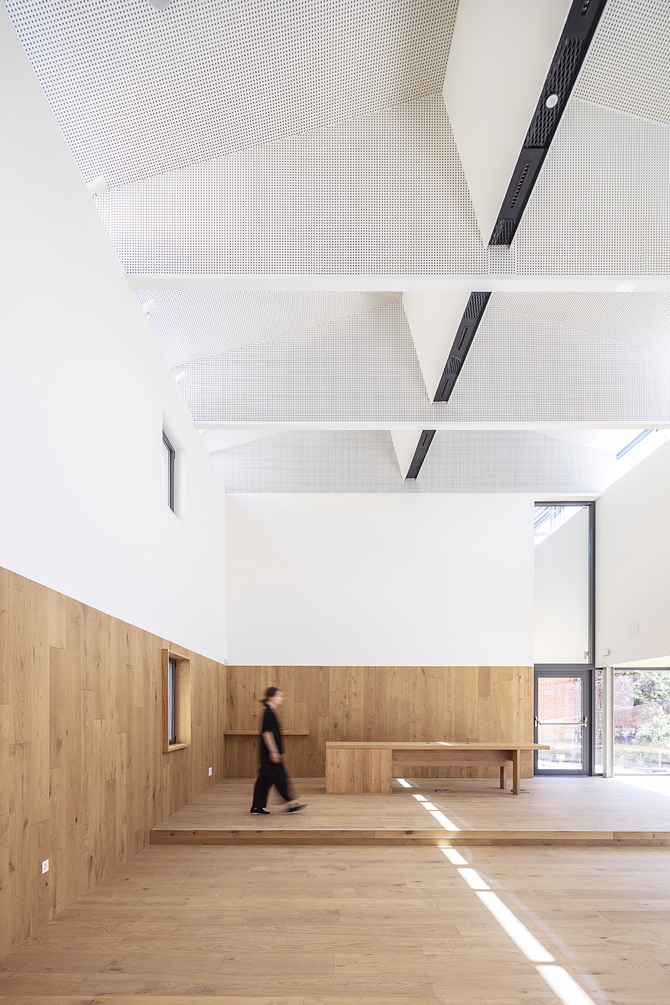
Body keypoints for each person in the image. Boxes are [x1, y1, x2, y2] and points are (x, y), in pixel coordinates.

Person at [250, 687, 305, 814]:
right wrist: (274, 752)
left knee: (264, 781)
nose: (282, 699)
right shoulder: (268, 713)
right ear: (271, 697)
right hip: (269, 755)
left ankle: (256, 807)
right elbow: (267, 733)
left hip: (269, 754)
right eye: (280, 696)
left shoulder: (270, 712)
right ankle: (289, 803)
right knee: (280, 778)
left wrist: (278, 751)